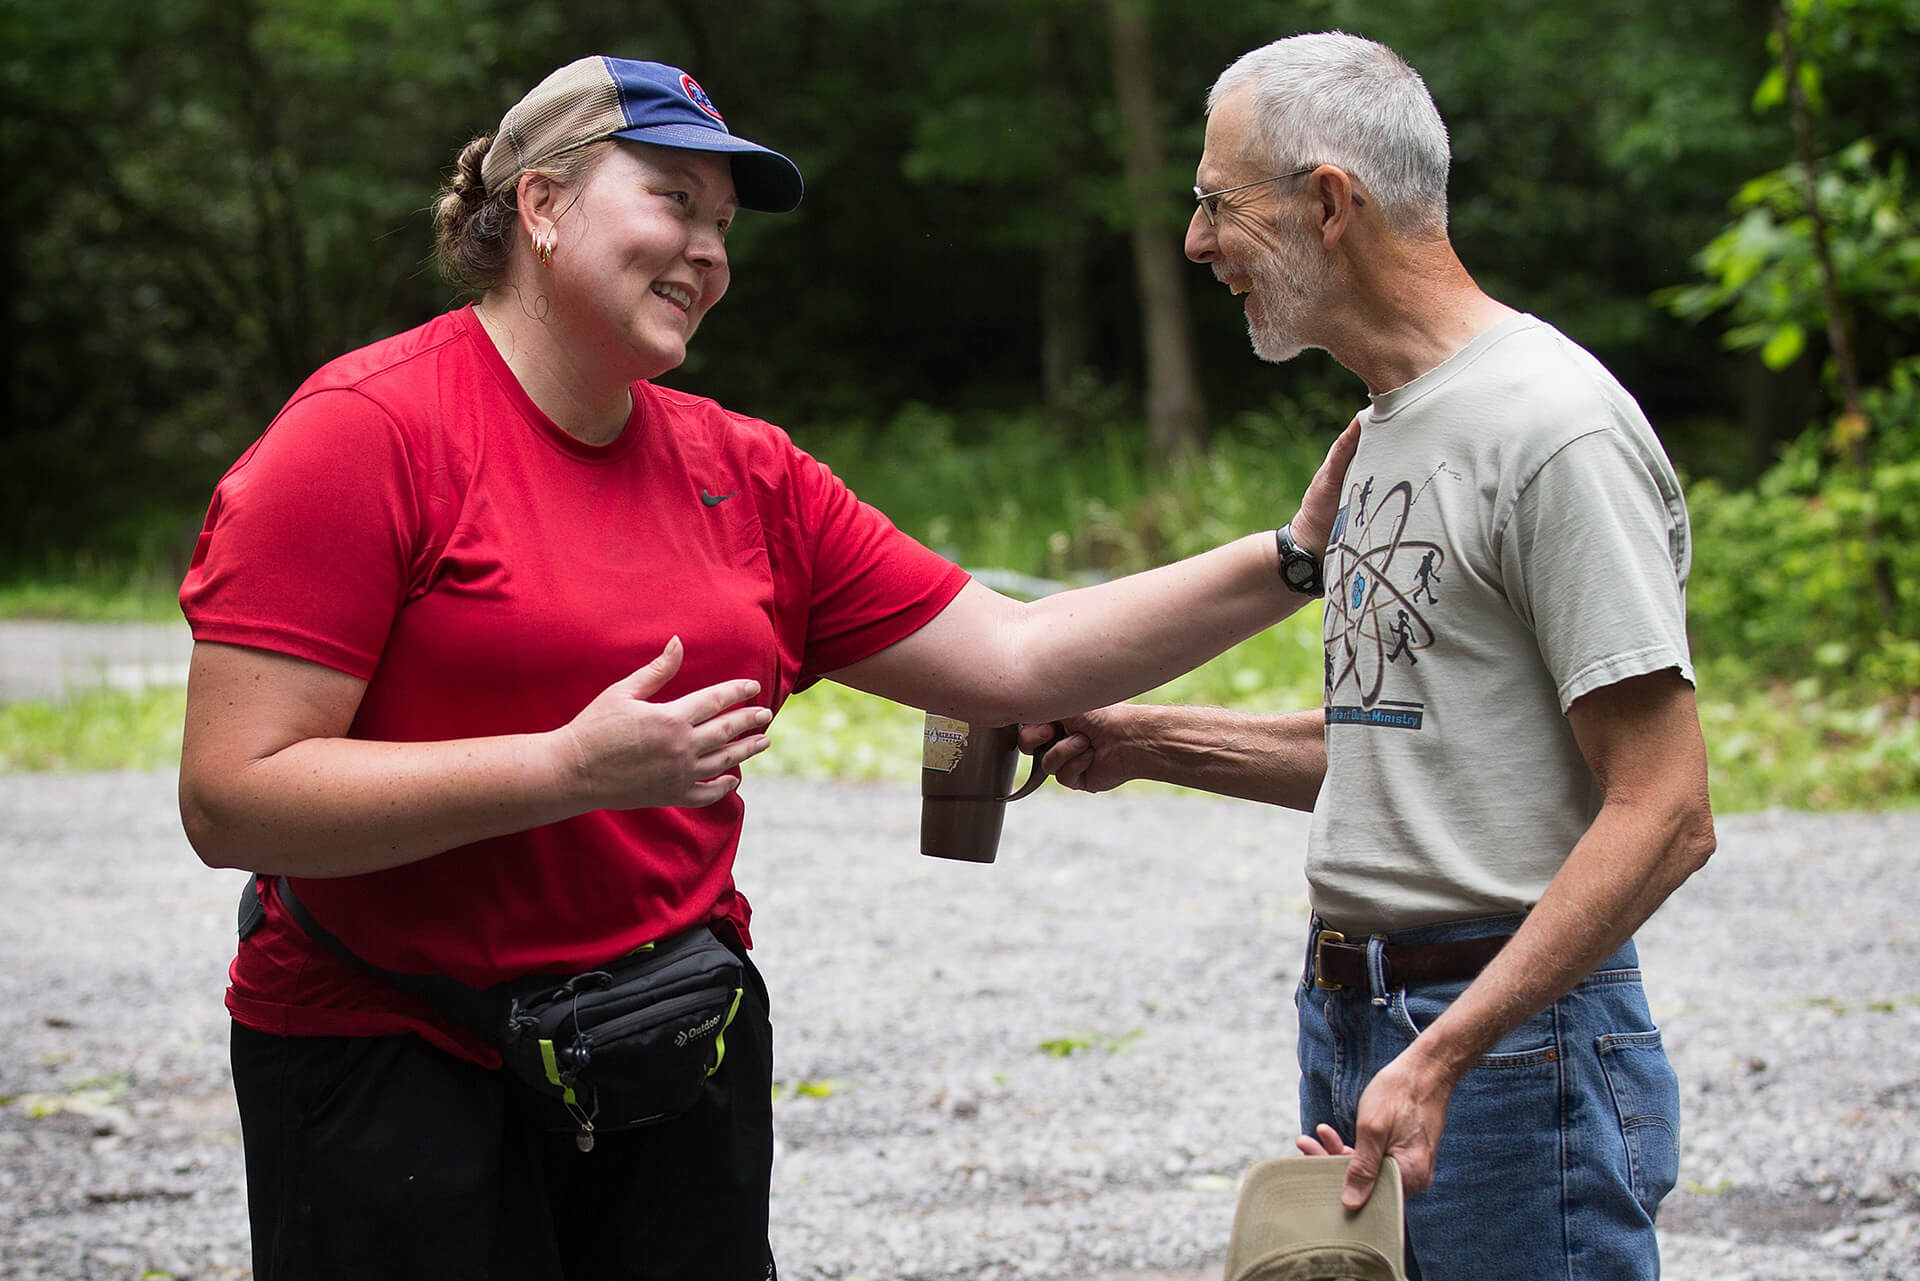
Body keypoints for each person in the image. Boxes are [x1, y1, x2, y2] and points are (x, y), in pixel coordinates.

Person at [175, 54, 1355, 1281]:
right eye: (672, 200)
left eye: (724, 223)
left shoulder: (743, 472)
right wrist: (566, 769)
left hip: (667, 1046)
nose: (707, 251)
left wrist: (1291, 555)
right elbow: (232, 800)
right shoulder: (363, 438)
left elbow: (1014, 655)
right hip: (388, 1056)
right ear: (540, 205)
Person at [1023, 31, 1716, 1281]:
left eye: (1214, 202)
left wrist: (1448, 1051)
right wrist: (1144, 740)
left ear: (1328, 204)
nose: (1195, 243)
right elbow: (1415, 755)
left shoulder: (1552, 430)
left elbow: (1666, 809)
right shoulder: (1388, 428)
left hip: (1509, 1046)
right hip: (1361, 1018)